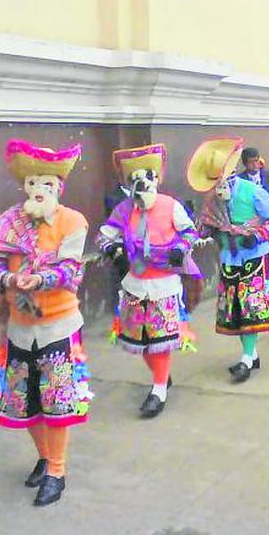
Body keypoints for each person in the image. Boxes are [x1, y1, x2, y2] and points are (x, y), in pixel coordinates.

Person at [0, 139, 93, 506]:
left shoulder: (73, 220)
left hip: (59, 324)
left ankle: (57, 472)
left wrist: (41, 279)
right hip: (18, 326)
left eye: (46, 183)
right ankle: (44, 457)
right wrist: (8, 280)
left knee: (57, 402)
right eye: (32, 183)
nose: (38, 190)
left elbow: (70, 268)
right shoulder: (8, 221)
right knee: (24, 402)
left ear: (58, 187)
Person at [98, 143, 201, 417]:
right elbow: (104, 236)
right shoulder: (123, 210)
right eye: (135, 180)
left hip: (164, 283)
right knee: (141, 341)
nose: (141, 185)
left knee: (160, 339)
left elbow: (190, 231)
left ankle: (158, 389)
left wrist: (181, 248)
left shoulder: (170, 205)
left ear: (156, 179)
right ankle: (160, 376)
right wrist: (112, 250)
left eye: (146, 178)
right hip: (134, 284)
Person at [187, 137, 269, 382]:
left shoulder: (254, 192)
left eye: (221, 180)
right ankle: (251, 354)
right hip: (229, 258)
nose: (218, 186)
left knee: (250, 307)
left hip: (253, 257)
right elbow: (203, 228)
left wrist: (258, 236)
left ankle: (246, 360)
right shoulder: (212, 200)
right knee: (236, 309)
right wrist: (203, 229)